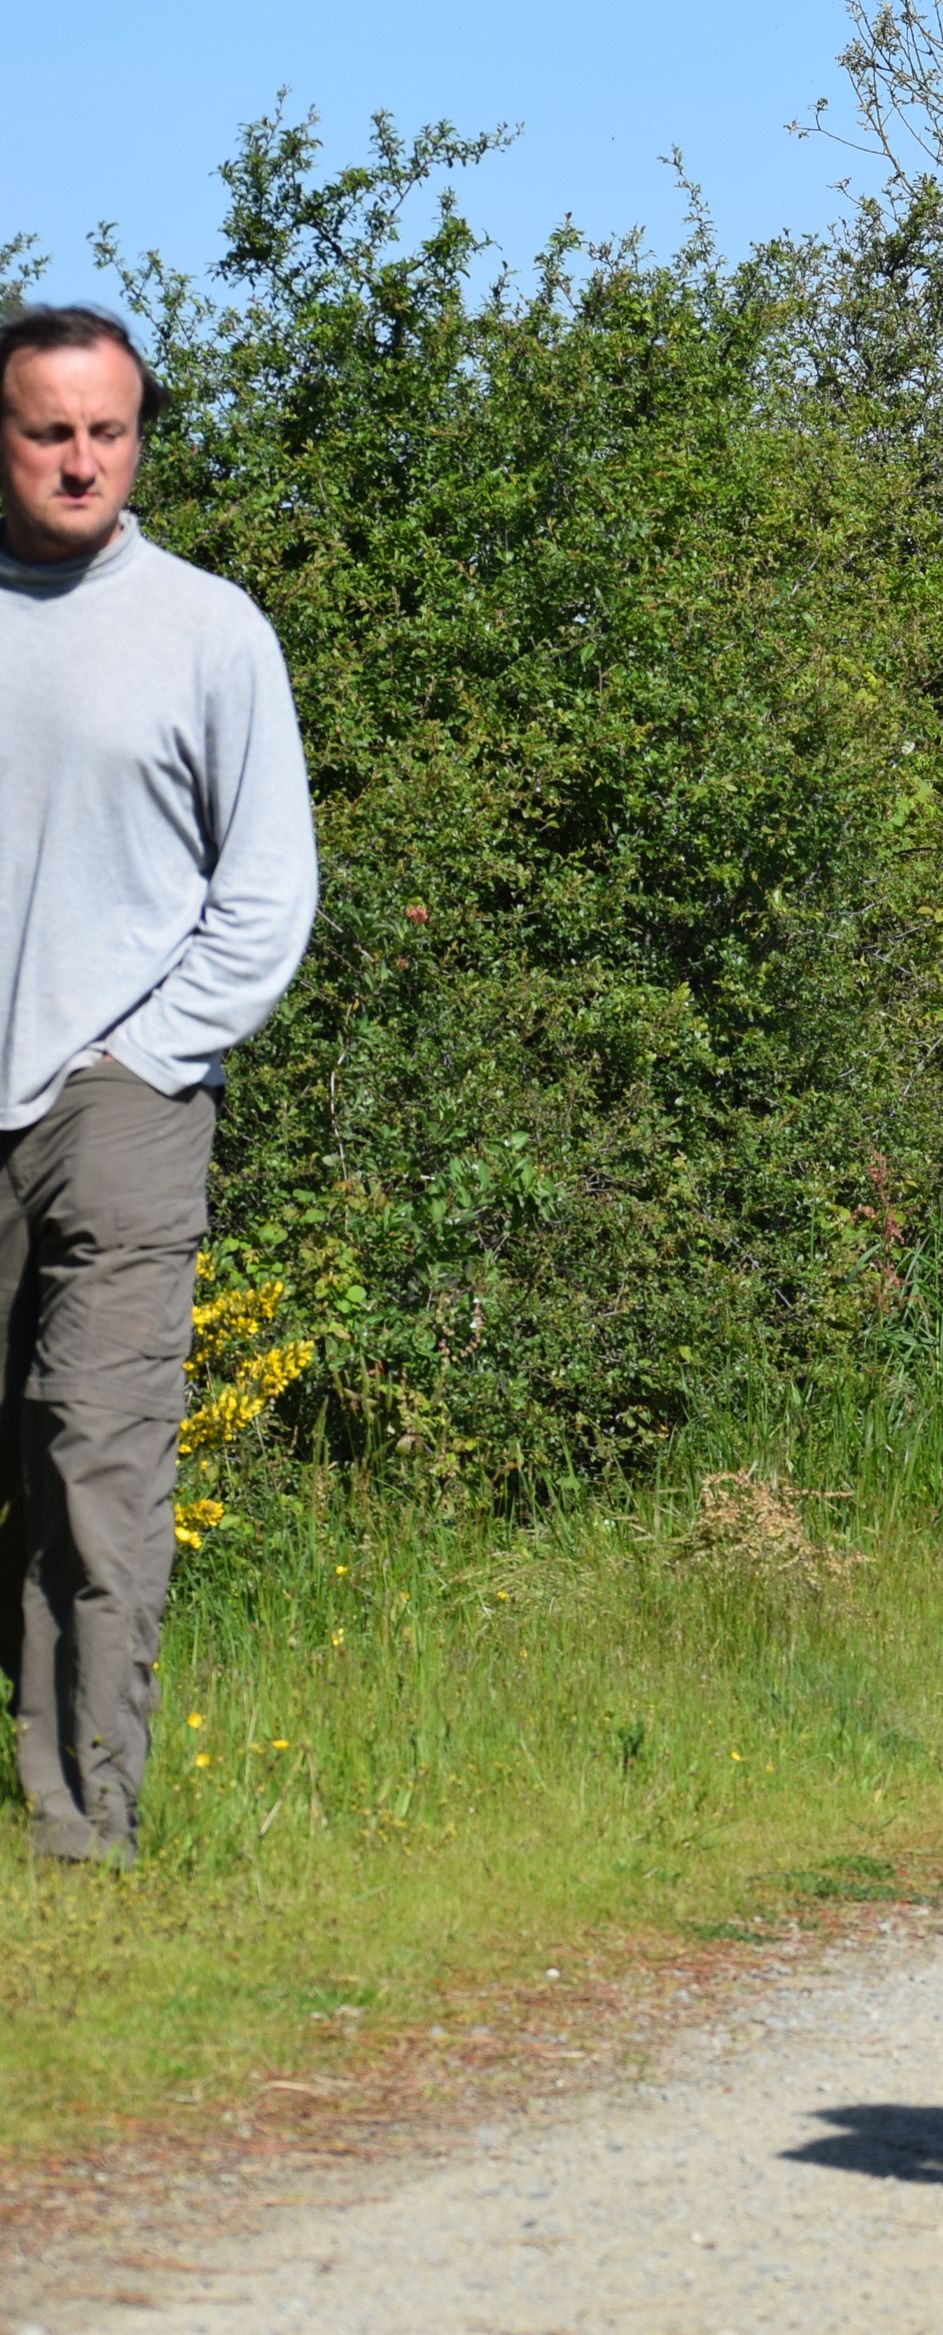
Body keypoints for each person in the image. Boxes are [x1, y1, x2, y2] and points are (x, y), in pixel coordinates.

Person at [0, 306, 317, 1866]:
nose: (82, 459)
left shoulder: (206, 629)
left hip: (119, 1097)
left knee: (100, 1460)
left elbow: (265, 891)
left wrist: (147, 1051)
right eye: (49, 430)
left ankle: (83, 1822)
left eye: (108, 430)